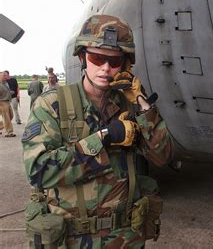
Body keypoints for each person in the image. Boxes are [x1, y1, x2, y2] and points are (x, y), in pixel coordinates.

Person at [22, 14, 174, 248]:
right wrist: (104, 138)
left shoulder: (129, 104)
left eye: (114, 62)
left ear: (125, 65)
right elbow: (39, 171)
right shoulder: (52, 104)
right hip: (75, 239)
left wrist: (143, 105)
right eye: (97, 58)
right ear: (83, 57)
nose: (105, 68)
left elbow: (162, 156)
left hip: (125, 237)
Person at [0, 71, 15, 137]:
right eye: (4, 76)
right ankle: (9, 132)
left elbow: (6, 91)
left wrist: (10, 92)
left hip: (8, 101)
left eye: (6, 75)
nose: (6, 77)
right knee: (6, 118)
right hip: (2, 102)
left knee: (11, 116)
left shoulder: (6, 83)